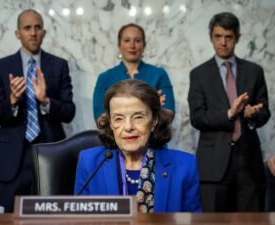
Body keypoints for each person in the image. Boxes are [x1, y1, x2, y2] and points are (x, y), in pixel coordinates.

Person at [0, 9, 76, 212]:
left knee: (54, 216)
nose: (33, 32)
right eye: (27, 28)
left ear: (44, 32)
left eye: (38, 27)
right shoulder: (1, 66)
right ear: (18, 33)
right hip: (13, 160)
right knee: (12, 215)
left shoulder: (59, 65)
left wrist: (45, 100)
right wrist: (12, 101)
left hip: (52, 153)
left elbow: (69, 112)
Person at [75, 79, 201, 213]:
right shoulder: (89, 162)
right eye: (118, 119)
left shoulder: (185, 166)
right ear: (111, 124)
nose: (128, 127)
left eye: (138, 117)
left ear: (153, 121)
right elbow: (80, 218)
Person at [188, 12, 270, 212]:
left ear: (238, 38)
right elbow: (197, 117)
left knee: (251, 222)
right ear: (211, 37)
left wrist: (253, 115)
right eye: (218, 36)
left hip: (249, 163)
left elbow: (264, 111)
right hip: (213, 164)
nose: (223, 42)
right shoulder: (199, 74)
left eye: (228, 37)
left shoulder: (254, 71)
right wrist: (229, 114)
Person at [93, 23, 175, 121]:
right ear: (119, 45)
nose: (132, 45)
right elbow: (100, 118)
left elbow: (169, 114)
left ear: (143, 45)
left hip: (154, 135)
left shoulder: (159, 74)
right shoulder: (105, 78)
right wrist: (151, 106)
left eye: (137, 41)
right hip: (115, 135)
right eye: (127, 40)